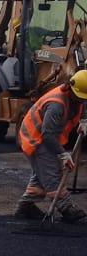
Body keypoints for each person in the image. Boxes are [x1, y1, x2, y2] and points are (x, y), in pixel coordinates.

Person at [14, 70, 87, 222]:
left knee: (42, 175)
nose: (82, 101)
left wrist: (83, 122)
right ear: (71, 89)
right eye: (80, 98)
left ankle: (25, 207)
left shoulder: (76, 99)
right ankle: (67, 209)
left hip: (48, 137)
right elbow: (47, 135)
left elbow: (78, 109)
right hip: (36, 138)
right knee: (53, 174)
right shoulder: (56, 104)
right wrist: (63, 154)